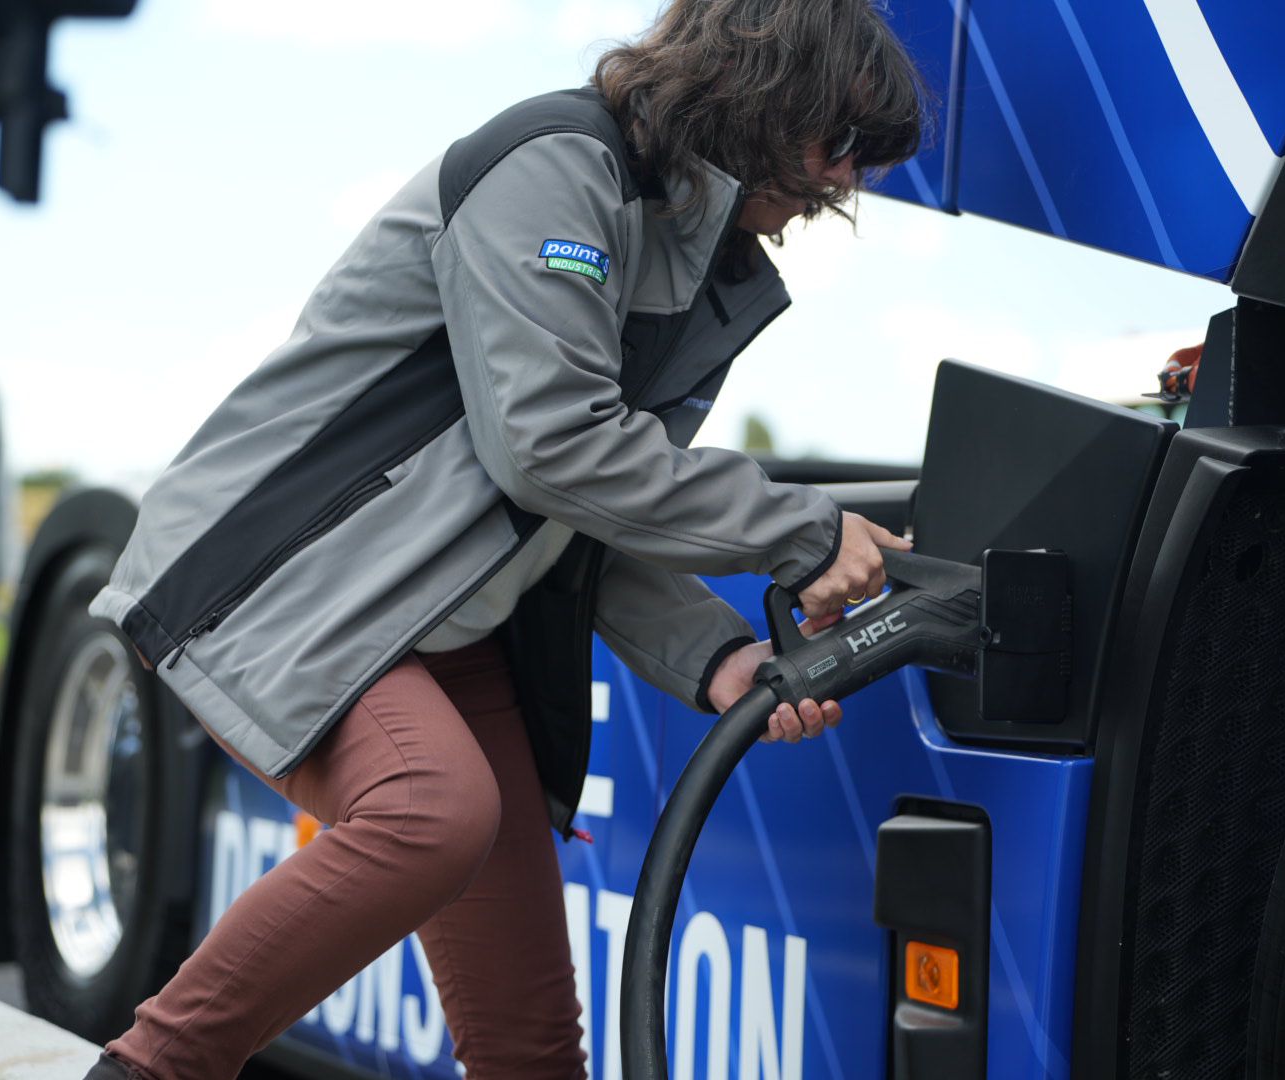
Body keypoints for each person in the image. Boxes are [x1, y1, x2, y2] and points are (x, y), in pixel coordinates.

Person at [80, 1, 926, 1076]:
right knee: (431, 813)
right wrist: (801, 528)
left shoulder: (698, 260)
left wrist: (716, 658)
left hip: (441, 620)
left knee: (529, 1043)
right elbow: (554, 448)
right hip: (293, 578)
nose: (845, 182)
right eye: (841, 145)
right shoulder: (555, 166)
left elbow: (596, 512)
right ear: (769, 91)